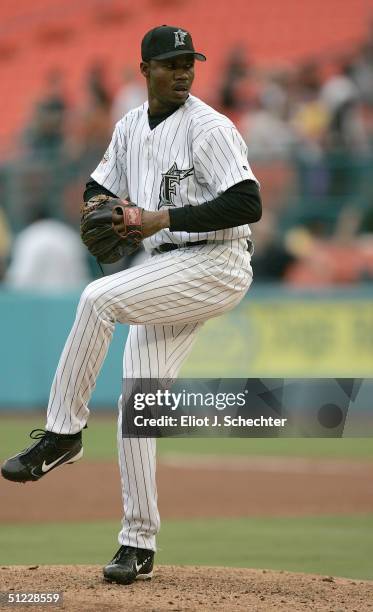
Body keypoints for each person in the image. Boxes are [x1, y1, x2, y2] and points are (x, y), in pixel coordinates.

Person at [1, 25, 261, 585]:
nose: (183, 71)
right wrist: (101, 204)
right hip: (168, 266)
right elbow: (97, 184)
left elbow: (248, 201)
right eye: (170, 63)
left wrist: (156, 218)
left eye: (189, 61)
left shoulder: (210, 128)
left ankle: (62, 433)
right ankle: (137, 544)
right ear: (145, 70)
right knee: (139, 405)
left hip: (217, 263)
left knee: (97, 299)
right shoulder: (128, 128)